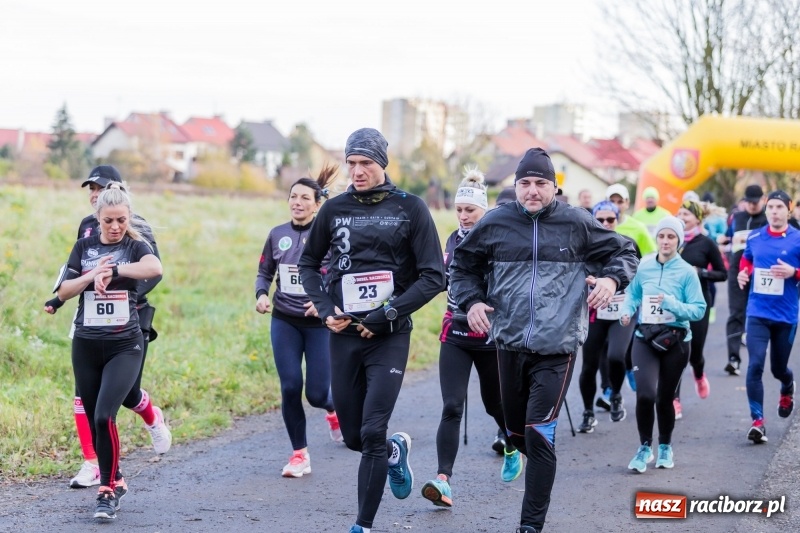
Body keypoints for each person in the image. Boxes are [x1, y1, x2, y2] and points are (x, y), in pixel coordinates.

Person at [449, 147, 638, 533]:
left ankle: (530, 525)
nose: (532, 191)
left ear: (554, 187)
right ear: (515, 186)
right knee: (516, 432)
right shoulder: (496, 222)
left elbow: (626, 251)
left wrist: (608, 279)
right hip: (509, 343)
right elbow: (462, 266)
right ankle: (519, 447)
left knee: (539, 434)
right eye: (525, 183)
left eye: (540, 183)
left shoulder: (577, 222)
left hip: (558, 346)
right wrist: (472, 302)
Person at [298, 128, 446, 533]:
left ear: (382, 163)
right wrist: (327, 309)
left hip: (389, 335)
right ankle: (394, 454)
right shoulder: (334, 209)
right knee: (353, 437)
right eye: (352, 163)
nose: (358, 170)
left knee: (372, 429)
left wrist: (387, 314)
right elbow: (308, 264)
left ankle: (362, 524)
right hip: (344, 334)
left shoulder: (410, 208)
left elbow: (435, 276)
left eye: (366, 163)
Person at [44, 165, 171, 490]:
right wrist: (58, 301)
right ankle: (93, 464)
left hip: (130, 320)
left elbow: (153, 270)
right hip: (89, 321)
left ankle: (151, 416)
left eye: (101, 187)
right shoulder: (87, 230)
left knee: (126, 395)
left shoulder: (135, 228)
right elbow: (73, 275)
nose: (95, 193)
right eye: (92, 189)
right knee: (85, 399)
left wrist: (123, 291)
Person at [420, 166, 520, 510]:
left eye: (470, 211)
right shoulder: (452, 239)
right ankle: (442, 480)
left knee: (495, 404)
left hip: (490, 336)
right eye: (459, 210)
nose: (463, 217)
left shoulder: (500, 241)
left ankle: (510, 441)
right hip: (456, 334)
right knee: (452, 406)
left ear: (484, 211)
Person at [254, 164, 344, 478]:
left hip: (319, 325)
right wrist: (261, 294)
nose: (297, 202)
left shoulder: (330, 237)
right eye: (293, 196)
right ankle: (299, 455)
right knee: (291, 385)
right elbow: (265, 272)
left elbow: (342, 277)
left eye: (305, 198)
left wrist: (325, 304)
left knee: (317, 394)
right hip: (284, 321)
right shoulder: (277, 234)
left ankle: (333, 411)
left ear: (318, 205)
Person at [620, 216, 706, 473]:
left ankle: (665, 446)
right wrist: (626, 311)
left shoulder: (687, 272)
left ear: (678, 241)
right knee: (645, 394)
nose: (665, 241)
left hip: (676, 342)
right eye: (661, 236)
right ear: (656, 239)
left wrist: (671, 304)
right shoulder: (644, 267)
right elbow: (632, 295)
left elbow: (698, 310)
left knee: (665, 397)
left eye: (671, 237)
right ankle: (644, 447)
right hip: (644, 339)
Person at [736, 190, 800, 444]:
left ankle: (787, 386)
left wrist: (793, 272)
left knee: (778, 368)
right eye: (770, 207)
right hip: (758, 312)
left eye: (779, 207)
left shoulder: (797, 239)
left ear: (789, 210)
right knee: (755, 364)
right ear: (766, 210)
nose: (774, 211)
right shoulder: (755, 237)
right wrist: (743, 273)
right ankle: (758, 422)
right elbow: (746, 260)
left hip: (786, 315)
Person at [578, 200, 641, 433]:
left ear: (617, 220)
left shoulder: (628, 244)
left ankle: (615, 394)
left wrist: (635, 304)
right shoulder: (586, 248)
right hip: (595, 312)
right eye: (600, 220)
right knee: (589, 365)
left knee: (616, 356)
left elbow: (639, 274)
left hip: (622, 311)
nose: (605, 224)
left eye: (610, 220)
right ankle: (587, 412)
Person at [672, 200, 727, 419]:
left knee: (694, 353)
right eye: (679, 213)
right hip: (674, 304)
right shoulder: (671, 240)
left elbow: (723, 274)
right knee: (675, 353)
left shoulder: (706, 243)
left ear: (697, 218)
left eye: (686, 214)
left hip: (698, 302)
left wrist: (700, 272)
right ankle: (674, 399)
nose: (682, 217)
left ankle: (699, 372)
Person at [718, 184, 767, 375]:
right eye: (749, 202)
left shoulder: (766, 220)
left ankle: (758, 359)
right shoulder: (737, 218)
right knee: (735, 314)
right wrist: (724, 240)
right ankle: (733, 359)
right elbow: (730, 238)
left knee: (758, 315)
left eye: (756, 202)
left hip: (761, 274)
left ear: (762, 200)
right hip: (736, 273)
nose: (753, 206)